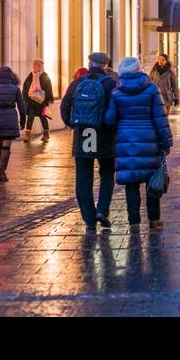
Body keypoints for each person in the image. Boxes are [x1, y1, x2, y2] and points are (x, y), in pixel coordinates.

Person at [104, 56, 173, 230]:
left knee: (131, 184)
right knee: (152, 181)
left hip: (126, 142)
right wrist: (166, 141)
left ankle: (134, 222)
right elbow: (160, 118)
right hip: (150, 141)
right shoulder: (151, 89)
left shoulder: (117, 92)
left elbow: (110, 119)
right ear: (139, 69)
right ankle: (154, 219)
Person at [60, 54, 118, 230]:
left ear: (90, 64)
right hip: (105, 133)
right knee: (107, 172)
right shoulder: (110, 84)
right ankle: (102, 209)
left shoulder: (79, 82)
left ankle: (89, 219)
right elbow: (116, 109)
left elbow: (64, 106)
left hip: (86, 133)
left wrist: (75, 125)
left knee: (84, 175)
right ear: (106, 65)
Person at [20, 58, 54, 142]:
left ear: (41, 66)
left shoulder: (45, 76)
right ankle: (27, 135)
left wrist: (47, 100)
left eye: (38, 65)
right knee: (30, 117)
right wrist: (25, 97)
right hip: (32, 101)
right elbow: (25, 87)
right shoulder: (31, 75)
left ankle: (46, 134)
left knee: (43, 117)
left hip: (42, 102)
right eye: (35, 65)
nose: (36, 67)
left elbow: (49, 89)